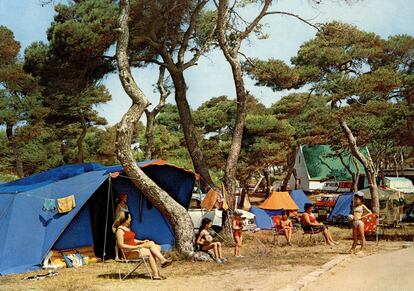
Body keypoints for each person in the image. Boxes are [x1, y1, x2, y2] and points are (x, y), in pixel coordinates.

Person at [116, 212, 172, 279]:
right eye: (130, 218)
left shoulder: (127, 228)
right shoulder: (120, 230)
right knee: (150, 251)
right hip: (128, 252)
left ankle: (160, 266)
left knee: (151, 244)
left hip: (134, 249)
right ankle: (158, 269)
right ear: (125, 219)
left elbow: (132, 240)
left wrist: (141, 241)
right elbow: (121, 245)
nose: (131, 219)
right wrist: (135, 247)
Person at [112, 193, 130, 260]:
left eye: (126, 197)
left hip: (125, 225)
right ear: (121, 198)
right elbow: (117, 217)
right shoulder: (119, 206)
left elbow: (128, 215)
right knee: (118, 242)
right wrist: (118, 225)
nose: (126, 198)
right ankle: (117, 256)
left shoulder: (126, 206)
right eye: (125, 197)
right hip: (119, 225)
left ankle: (123, 256)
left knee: (124, 241)